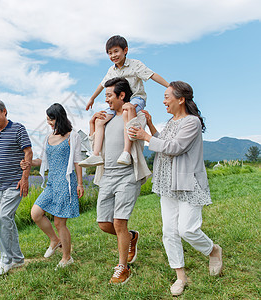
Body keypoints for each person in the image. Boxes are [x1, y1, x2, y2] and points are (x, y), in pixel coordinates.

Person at [128, 81, 223, 296]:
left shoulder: (192, 122)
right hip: (167, 183)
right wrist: (151, 127)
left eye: (166, 96)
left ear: (180, 99)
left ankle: (213, 250)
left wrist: (146, 136)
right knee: (169, 231)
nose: (163, 101)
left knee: (187, 229)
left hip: (188, 183)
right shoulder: (172, 121)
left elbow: (175, 147)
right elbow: (163, 141)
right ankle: (181, 276)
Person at [91, 77, 149, 285]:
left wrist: (129, 112)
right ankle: (132, 237)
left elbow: (134, 134)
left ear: (121, 95)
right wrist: (93, 123)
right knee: (104, 223)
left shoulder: (136, 114)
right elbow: (94, 146)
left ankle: (122, 268)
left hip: (127, 175)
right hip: (108, 176)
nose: (105, 100)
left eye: (109, 95)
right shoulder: (105, 118)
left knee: (119, 222)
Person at [80, 35, 169, 167]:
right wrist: (92, 98)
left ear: (125, 50)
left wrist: (169, 86)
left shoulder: (135, 65)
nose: (113, 55)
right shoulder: (111, 70)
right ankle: (96, 155)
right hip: (117, 102)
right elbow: (102, 84)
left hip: (135, 99)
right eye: (110, 53)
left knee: (127, 110)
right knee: (100, 120)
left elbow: (152, 75)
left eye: (116, 51)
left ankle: (126, 152)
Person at [21, 103, 84, 270]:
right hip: (51, 183)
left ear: (59, 118)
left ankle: (66, 257)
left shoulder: (73, 136)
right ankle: (55, 240)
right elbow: (42, 160)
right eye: (48, 119)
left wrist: (80, 183)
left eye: (51, 119)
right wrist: (28, 163)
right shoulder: (48, 138)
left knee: (59, 223)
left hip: (66, 183)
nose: (48, 122)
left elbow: (77, 161)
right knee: (36, 213)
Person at [0, 100, 33, 276]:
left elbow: (28, 152)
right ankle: (18, 258)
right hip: (0, 184)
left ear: (4, 112)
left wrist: (25, 178)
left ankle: (6, 259)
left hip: (15, 182)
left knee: (2, 217)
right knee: (7, 219)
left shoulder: (18, 128)